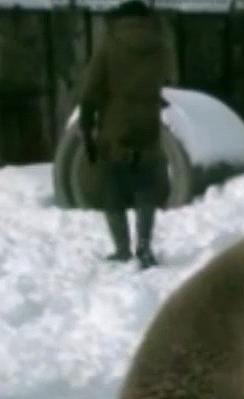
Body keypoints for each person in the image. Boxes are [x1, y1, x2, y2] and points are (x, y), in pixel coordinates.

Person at [77, 1, 172, 270]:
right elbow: (168, 78)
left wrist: (87, 125)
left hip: (115, 128)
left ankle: (122, 249)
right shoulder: (160, 43)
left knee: (113, 192)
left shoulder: (110, 42)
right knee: (145, 189)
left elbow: (91, 87)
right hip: (148, 125)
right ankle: (144, 246)